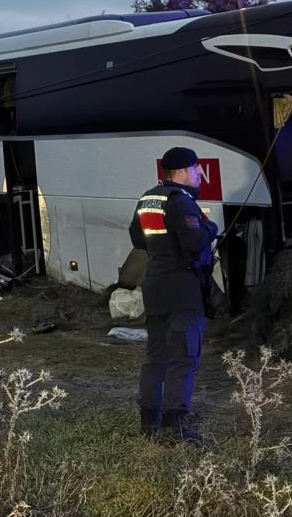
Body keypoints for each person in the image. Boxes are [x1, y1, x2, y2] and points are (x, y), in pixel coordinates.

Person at [128, 146, 218, 443]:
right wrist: (210, 227)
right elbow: (194, 242)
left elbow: (137, 238)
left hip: (155, 284)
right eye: (195, 169)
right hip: (182, 288)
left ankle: (149, 421)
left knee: (156, 356)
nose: (198, 175)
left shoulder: (148, 197)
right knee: (183, 356)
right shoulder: (182, 202)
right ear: (182, 171)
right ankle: (175, 426)